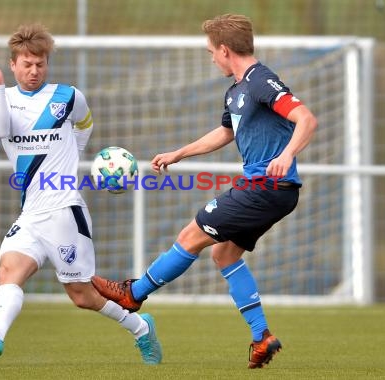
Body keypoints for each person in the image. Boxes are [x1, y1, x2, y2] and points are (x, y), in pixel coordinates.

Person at [91, 14, 317, 369]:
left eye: (212, 51)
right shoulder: (237, 91)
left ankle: (133, 295)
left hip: (267, 186)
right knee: (224, 256)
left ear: (225, 50)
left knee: (191, 235)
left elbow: (306, 118)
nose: (211, 58)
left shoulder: (261, 80)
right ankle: (262, 337)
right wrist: (179, 153)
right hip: (271, 191)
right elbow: (225, 133)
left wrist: (287, 154)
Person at [0, 23, 161, 365]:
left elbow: (85, 123)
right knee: (9, 271)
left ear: (47, 64)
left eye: (40, 64)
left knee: (82, 296)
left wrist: (73, 156)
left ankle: (141, 328)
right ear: (13, 64)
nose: (34, 71)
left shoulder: (68, 96)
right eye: (27, 64)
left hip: (64, 209)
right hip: (31, 212)